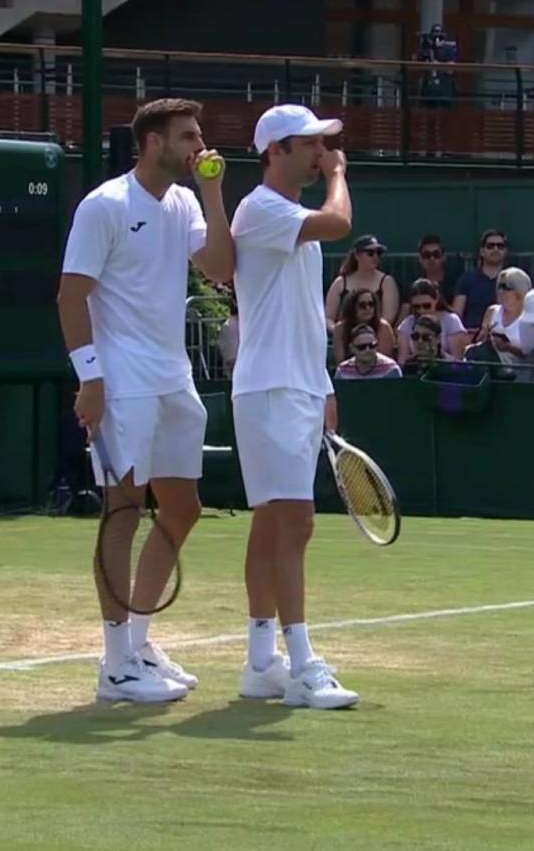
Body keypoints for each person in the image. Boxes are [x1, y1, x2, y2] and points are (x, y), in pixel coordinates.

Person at [59, 98, 235, 704]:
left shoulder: (186, 201)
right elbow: (70, 296)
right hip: (122, 382)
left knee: (181, 509)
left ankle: (137, 642)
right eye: (188, 136)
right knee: (123, 511)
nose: (199, 145)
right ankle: (114, 666)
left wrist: (213, 196)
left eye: (199, 134)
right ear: (153, 143)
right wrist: (90, 378)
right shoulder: (104, 205)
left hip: (173, 378)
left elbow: (220, 266)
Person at [230, 103, 359, 709]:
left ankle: (261, 664)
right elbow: (339, 224)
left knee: (272, 522)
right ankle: (303, 664)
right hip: (271, 389)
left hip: (299, 385)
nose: (321, 152)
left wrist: (324, 384)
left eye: (323, 146)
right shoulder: (262, 209)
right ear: (277, 150)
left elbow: (302, 313)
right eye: (310, 144)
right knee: (294, 523)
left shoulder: (288, 219)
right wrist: (339, 177)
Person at [324, 234, 398, 332]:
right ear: (356, 255)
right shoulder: (341, 282)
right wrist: (338, 331)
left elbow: (388, 319)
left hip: (375, 338)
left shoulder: (387, 282)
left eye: (378, 253)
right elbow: (329, 317)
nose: (375, 257)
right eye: (370, 253)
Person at [451, 229, 509, 334]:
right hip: (471, 336)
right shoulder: (466, 279)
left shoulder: (513, 279)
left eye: (500, 246)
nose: (495, 249)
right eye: (490, 246)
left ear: (505, 251)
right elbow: (456, 315)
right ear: (482, 251)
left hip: (505, 337)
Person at [397, 278, 468, 363]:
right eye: (417, 307)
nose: (422, 310)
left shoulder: (451, 321)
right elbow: (402, 360)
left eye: (426, 305)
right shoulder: (407, 324)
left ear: (436, 299)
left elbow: (458, 359)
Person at [400, 233, 455, 323]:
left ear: (443, 257)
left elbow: (456, 313)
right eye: (426, 255)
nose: (431, 258)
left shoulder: (454, 282)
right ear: (420, 258)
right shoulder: (413, 285)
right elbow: (403, 315)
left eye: (436, 254)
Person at [331, 289, 396, 362]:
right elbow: (340, 361)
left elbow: (384, 360)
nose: (368, 308)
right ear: (352, 308)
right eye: (362, 305)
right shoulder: (340, 329)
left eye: (371, 304)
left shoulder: (383, 327)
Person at [335, 324, 402, 380]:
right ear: (352, 348)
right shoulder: (342, 371)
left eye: (372, 345)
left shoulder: (391, 369)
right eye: (362, 347)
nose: (368, 350)